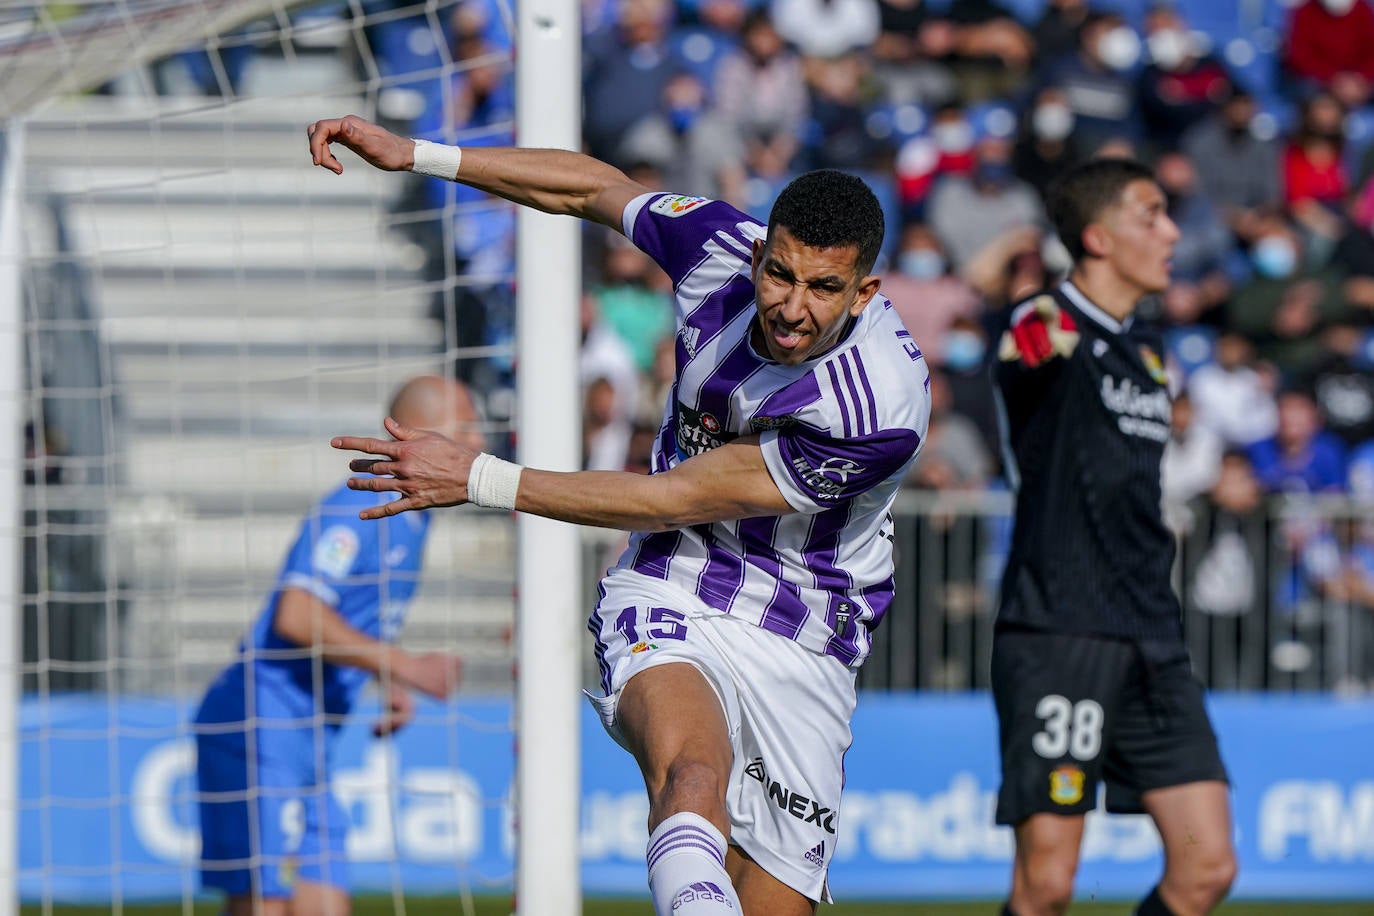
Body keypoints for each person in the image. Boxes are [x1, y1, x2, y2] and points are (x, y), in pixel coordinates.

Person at [306, 114, 930, 915]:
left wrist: (481, 476)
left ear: (865, 291)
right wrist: (424, 155)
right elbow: (596, 187)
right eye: (779, 274)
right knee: (690, 776)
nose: (790, 307)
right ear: (758, 253)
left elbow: (674, 492)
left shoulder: (877, 404)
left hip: (803, 631)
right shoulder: (716, 251)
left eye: (823, 289)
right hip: (673, 579)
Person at [993, 157, 1237, 916]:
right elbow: (1019, 349)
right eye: (1152, 214)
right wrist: (1045, 297)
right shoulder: (1049, 326)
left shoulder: (1152, 352)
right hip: (1061, 628)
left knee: (1208, 869)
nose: (1172, 232)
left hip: (1153, 636)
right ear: (1097, 237)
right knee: (1048, 885)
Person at [193, 376, 481, 916]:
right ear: (418, 436)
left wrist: (387, 679)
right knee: (265, 903)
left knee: (327, 903)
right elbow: (296, 614)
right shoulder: (355, 510)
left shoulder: (414, 520)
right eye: (466, 426)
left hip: (309, 739)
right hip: (259, 726)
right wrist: (404, 665)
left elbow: (350, 618)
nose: (481, 439)